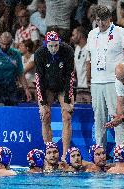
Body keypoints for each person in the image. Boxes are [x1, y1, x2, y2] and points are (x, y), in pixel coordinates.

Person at [86, 5, 124, 148]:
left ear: (110, 19)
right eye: (98, 20)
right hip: (96, 83)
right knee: (99, 119)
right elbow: (90, 59)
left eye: (104, 20)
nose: (101, 23)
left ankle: (123, 152)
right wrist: (90, 79)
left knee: (118, 117)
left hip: (115, 82)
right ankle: (99, 152)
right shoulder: (91, 34)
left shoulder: (121, 32)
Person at [35, 31, 75, 161]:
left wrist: (68, 101)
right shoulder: (40, 53)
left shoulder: (67, 50)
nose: (53, 49)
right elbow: (38, 78)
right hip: (47, 87)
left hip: (63, 86)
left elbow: (70, 76)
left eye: (56, 45)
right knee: (45, 116)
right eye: (50, 46)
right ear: (46, 44)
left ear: (60, 43)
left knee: (67, 116)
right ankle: (49, 153)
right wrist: (42, 104)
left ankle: (65, 155)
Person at [0, 32, 31, 105]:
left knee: (12, 111)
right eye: (3, 44)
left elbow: (20, 73)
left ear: (11, 42)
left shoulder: (16, 54)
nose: (5, 47)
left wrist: (26, 89)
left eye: (8, 44)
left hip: (11, 88)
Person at [71, 26, 91, 103]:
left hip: (88, 88)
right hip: (79, 88)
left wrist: (89, 84)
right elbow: (74, 66)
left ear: (79, 35)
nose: (72, 37)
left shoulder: (89, 48)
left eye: (74, 35)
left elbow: (89, 66)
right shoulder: (77, 48)